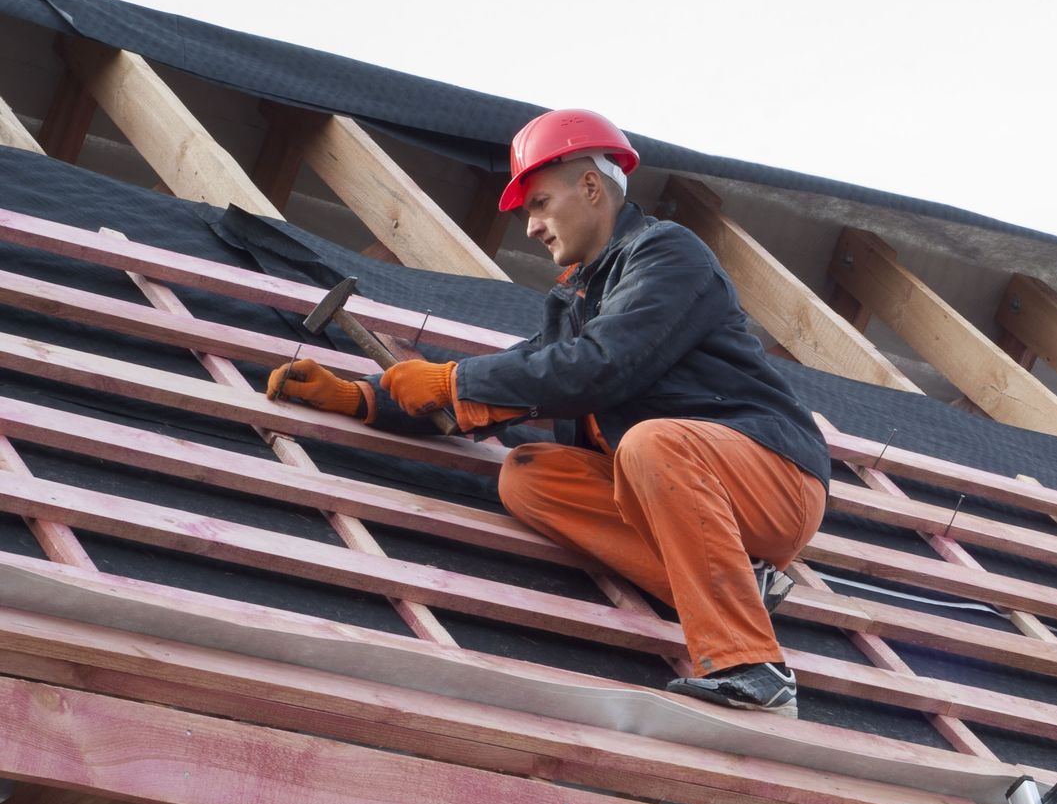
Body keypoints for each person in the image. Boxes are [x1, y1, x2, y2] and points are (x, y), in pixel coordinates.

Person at [265, 109, 827, 717]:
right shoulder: (577, 302)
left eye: (539, 203)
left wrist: (452, 378)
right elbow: (516, 377)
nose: (530, 227)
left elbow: (602, 366)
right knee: (528, 473)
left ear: (590, 186)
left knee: (651, 443)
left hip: (771, 475)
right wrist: (364, 397)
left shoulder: (665, 254)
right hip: (683, 497)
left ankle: (752, 670)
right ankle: (744, 587)